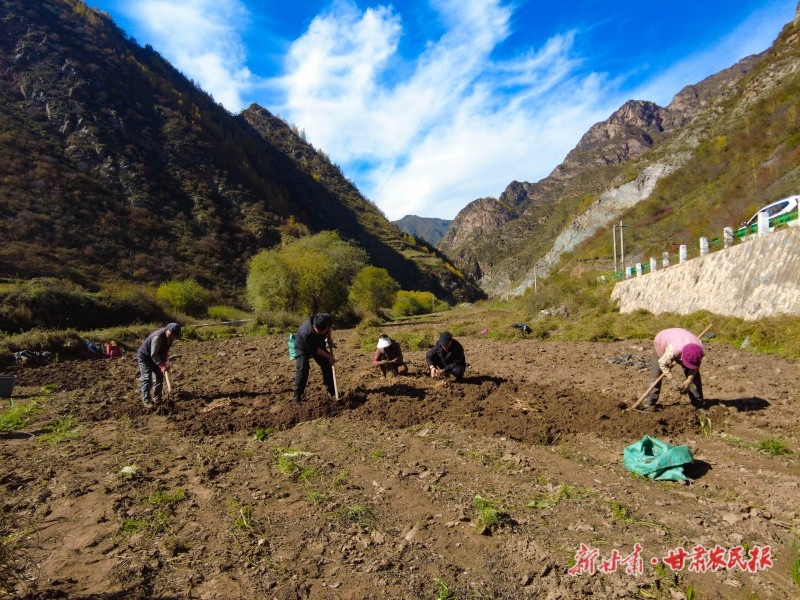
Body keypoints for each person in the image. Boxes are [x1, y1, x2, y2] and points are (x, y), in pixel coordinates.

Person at [641, 327, 705, 411]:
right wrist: (672, 380)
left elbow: (696, 367)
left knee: (695, 377)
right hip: (662, 340)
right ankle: (649, 403)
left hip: (682, 340)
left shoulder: (700, 351)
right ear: (681, 356)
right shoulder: (673, 351)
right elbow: (662, 364)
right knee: (656, 374)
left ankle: (698, 404)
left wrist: (689, 380)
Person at [293, 313, 336, 403]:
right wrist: (329, 356)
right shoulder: (306, 332)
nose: (323, 333)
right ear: (314, 327)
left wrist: (329, 337)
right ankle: (297, 396)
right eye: (320, 331)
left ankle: (331, 391)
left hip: (319, 342)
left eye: (324, 331)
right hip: (303, 346)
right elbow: (316, 350)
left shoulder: (326, 318)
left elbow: (329, 327)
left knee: (327, 364)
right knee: (303, 368)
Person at [136, 322, 181, 408]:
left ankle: (157, 398)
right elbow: (153, 354)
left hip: (156, 358)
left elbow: (164, 352)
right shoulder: (158, 337)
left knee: (159, 376)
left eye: (174, 336)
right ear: (167, 329)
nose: (172, 337)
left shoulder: (171, 338)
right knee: (147, 378)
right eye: (171, 334)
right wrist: (161, 365)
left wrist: (163, 362)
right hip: (145, 357)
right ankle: (146, 400)